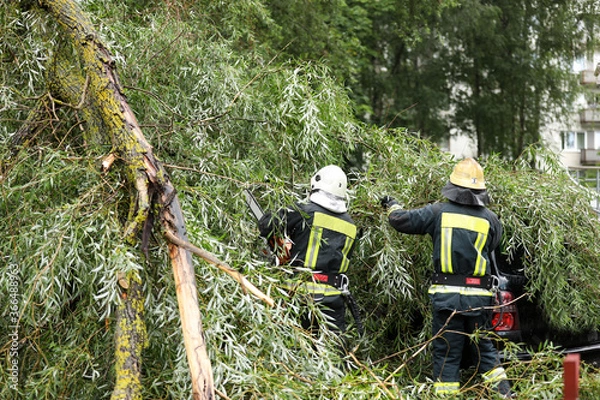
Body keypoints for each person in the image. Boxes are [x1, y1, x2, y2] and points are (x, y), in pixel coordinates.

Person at [380, 158, 514, 398]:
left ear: (453, 186)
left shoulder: (437, 212)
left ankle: (446, 396)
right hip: (479, 300)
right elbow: (493, 245)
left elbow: (400, 221)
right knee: (486, 352)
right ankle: (504, 394)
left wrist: (391, 205)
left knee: (447, 355)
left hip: (447, 299)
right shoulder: (491, 220)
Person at [258, 165, 358, 336]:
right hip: (333, 302)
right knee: (332, 353)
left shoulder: (304, 212)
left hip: (298, 298)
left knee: (294, 350)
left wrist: (284, 244)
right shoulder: (351, 226)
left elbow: (266, 224)